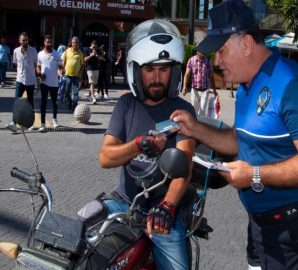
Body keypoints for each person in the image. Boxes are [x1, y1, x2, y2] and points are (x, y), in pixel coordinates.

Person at [171, 0, 298, 269]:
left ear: (246, 45)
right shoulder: (245, 85)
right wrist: (195, 128)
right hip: (258, 226)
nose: (215, 61)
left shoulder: (291, 85)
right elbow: (238, 139)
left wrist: (254, 175)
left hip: (292, 233)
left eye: (221, 51)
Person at [99, 19, 196, 270]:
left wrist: (167, 206)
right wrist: (139, 145)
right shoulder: (125, 104)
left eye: (163, 70)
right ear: (136, 70)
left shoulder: (184, 111)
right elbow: (105, 158)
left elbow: (184, 166)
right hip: (123, 201)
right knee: (81, 243)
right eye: (149, 69)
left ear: (174, 72)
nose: (156, 78)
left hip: (162, 209)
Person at [6, 32, 38, 132]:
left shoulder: (33, 51)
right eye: (23, 40)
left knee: (30, 102)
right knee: (17, 102)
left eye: (26, 40)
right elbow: (16, 64)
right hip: (20, 79)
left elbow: (35, 64)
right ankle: (14, 123)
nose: (25, 42)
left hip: (30, 80)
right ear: (20, 41)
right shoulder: (16, 51)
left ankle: (30, 123)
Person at [37, 35, 63, 132]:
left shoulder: (56, 54)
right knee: (43, 102)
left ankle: (54, 119)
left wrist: (61, 70)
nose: (49, 44)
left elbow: (60, 65)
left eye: (51, 42)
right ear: (44, 42)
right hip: (44, 82)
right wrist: (40, 74)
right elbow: (38, 66)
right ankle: (43, 123)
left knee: (54, 102)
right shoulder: (40, 54)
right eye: (47, 42)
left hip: (54, 82)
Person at [182, 51, 218, 116]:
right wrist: (184, 86)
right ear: (197, 51)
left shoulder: (208, 60)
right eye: (201, 50)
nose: (203, 51)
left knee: (202, 112)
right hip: (195, 90)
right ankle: (195, 125)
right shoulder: (191, 60)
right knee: (194, 111)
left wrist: (215, 91)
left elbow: (211, 76)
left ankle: (200, 124)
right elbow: (187, 74)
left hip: (205, 90)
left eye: (203, 50)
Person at [62, 36, 83, 112]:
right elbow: (64, 62)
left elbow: (82, 64)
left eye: (77, 42)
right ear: (71, 43)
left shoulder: (80, 52)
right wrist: (62, 70)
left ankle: (73, 108)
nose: (75, 44)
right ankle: (70, 102)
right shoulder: (67, 51)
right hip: (68, 75)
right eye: (74, 42)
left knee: (75, 93)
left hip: (76, 76)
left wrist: (81, 72)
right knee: (67, 92)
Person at [84, 40, 104, 104]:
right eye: (93, 47)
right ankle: (93, 98)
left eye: (95, 47)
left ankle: (89, 95)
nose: (94, 48)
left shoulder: (97, 50)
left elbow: (101, 58)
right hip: (90, 68)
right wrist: (91, 55)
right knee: (92, 83)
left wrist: (96, 55)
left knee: (94, 83)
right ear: (91, 44)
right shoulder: (87, 50)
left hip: (96, 68)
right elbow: (85, 59)